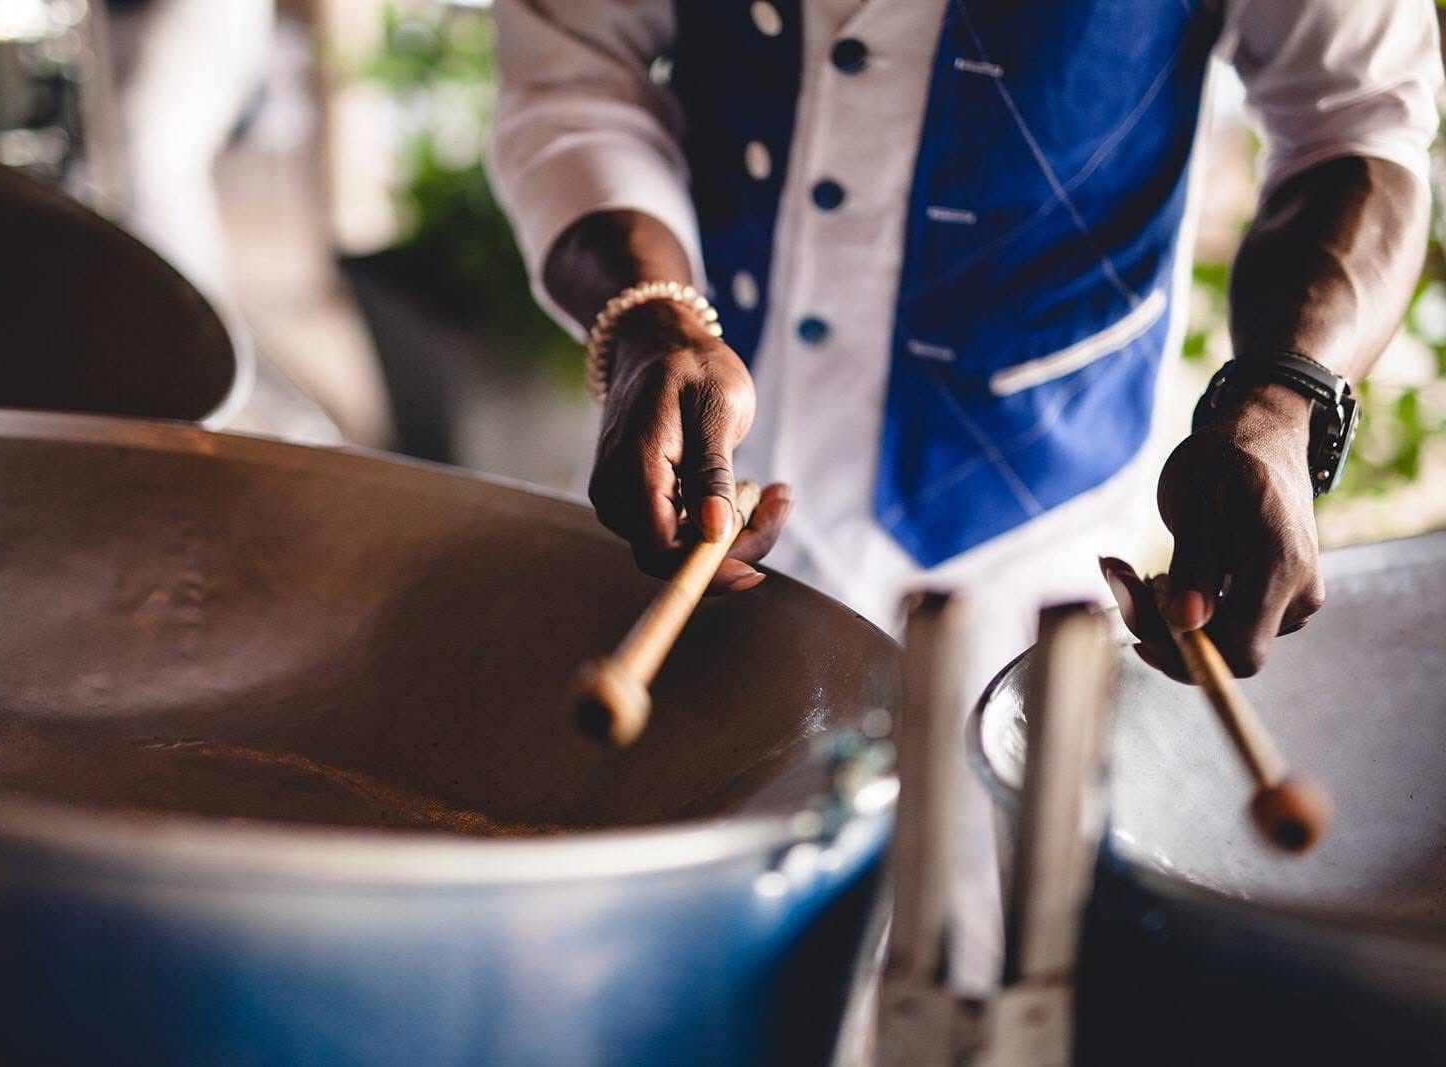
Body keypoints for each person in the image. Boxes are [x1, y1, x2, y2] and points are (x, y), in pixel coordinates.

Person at [489, 0, 1438, 989]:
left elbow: (1354, 118)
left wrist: (1285, 399)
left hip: (1038, 563)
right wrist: (649, 318)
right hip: (691, 512)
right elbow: (575, 67)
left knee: (985, 986)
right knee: (633, 979)